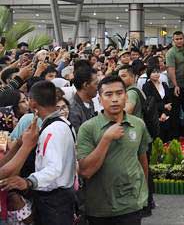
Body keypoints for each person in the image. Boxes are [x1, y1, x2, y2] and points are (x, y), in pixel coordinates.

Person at [76, 75, 150, 225]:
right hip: (100, 207)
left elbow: (142, 160)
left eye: (119, 93)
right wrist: (106, 139)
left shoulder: (138, 124)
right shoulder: (88, 128)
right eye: (108, 94)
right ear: (100, 99)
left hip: (131, 205)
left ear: (126, 96)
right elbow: (85, 171)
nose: (115, 99)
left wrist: (144, 193)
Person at [0, 81, 76, 225]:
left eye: (26, 100)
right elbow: (3, 171)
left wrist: (29, 181)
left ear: (33, 103)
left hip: (55, 202)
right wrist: (24, 146)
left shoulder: (54, 129)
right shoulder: (59, 125)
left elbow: (54, 168)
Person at [165, 30, 184, 139]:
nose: (179, 41)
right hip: (175, 86)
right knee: (175, 111)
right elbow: (171, 70)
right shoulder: (171, 53)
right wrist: (175, 85)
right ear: (173, 40)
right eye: (177, 39)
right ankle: (174, 135)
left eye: (181, 38)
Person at [142, 59, 173, 142]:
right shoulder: (146, 86)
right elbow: (150, 102)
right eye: (153, 72)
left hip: (165, 115)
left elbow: (169, 100)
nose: (156, 74)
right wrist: (163, 106)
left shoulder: (164, 84)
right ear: (149, 74)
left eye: (157, 72)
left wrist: (165, 112)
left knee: (166, 140)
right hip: (154, 116)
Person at [68, 65, 98, 132]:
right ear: (86, 85)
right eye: (96, 83)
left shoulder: (89, 101)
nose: (98, 87)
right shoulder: (73, 110)